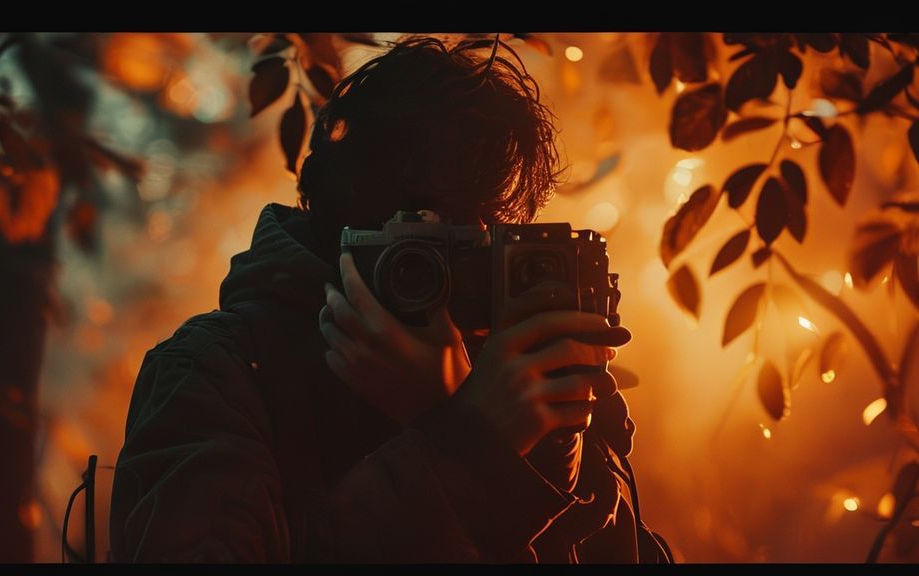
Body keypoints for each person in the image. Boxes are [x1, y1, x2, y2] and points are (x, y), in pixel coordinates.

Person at [108, 34, 671, 563]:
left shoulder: (526, 383)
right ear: (339, 216)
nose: (447, 271)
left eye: (481, 241)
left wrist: (546, 449)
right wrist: (465, 440)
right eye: (421, 238)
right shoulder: (217, 372)